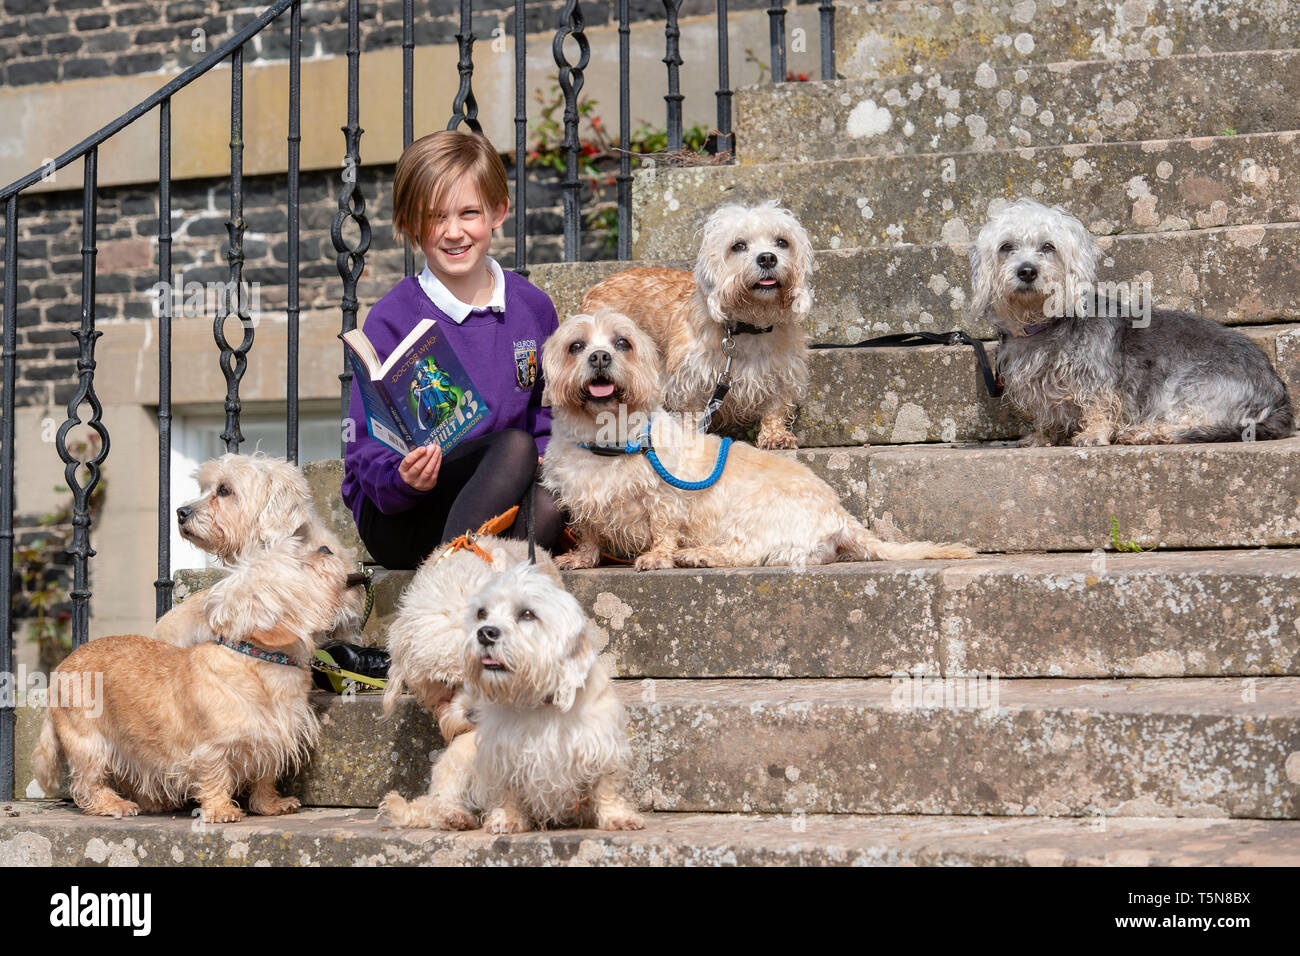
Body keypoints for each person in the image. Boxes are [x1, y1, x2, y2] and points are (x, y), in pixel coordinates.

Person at [342, 130, 565, 569]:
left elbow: (549, 411)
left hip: (501, 498)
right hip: (406, 512)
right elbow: (363, 444)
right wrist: (402, 478)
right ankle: (444, 584)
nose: (453, 232)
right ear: (408, 223)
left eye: (469, 213)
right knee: (515, 447)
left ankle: (478, 589)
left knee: (552, 499)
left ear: (498, 212)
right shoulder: (393, 316)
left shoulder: (532, 307)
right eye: (435, 217)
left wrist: (546, 454)